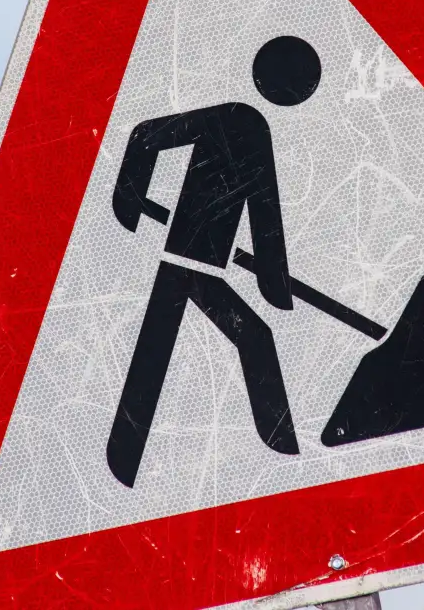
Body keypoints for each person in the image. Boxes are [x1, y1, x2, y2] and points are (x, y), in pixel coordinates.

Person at [105, 35, 322, 487]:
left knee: (164, 352)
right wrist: (126, 199)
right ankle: (289, 460)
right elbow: (146, 136)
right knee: (248, 338)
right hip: (187, 265)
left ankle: (122, 461)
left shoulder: (246, 123)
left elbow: (266, 215)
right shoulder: (240, 120)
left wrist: (273, 281)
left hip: (195, 267)